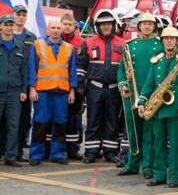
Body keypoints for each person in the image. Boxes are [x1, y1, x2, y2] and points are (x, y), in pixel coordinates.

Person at [138, 26, 178, 188]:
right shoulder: (158, 60)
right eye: (166, 38)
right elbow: (149, 83)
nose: (169, 41)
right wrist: (142, 101)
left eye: (172, 38)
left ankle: (174, 176)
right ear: (162, 41)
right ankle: (159, 174)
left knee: (176, 144)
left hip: (175, 108)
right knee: (158, 142)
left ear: (177, 41)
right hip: (158, 109)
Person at [117, 13, 163, 178]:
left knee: (150, 133)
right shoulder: (130, 45)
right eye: (144, 24)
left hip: (151, 94)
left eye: (150, 24)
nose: (147, 27)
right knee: (133, 131)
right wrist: (122, 84)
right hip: (131, 95)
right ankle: (132, 164)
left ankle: (148, 166)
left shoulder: (160, 45)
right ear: (139, 26)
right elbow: (121, 69)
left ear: (154, 27)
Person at [29, 20, 77, 166]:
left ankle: (57, 154)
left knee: (60, 124)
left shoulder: (69, 47)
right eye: (53, 28)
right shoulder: (37, 44)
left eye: (58, 28)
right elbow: (32, 68)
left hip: (62, 92)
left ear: (61, 29)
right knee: (40, 124)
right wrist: (32, 88)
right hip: (43, 92)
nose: (56, 30)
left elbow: (72, 71)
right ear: (47, 30)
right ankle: (36, 155)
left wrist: (72, 91)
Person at [81, 9, 125, 164]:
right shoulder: (88, 43)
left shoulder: (123, 44)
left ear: (114, 25)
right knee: (93, 121)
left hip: (114, 89)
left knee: (112, 122)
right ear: (97, 26)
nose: (106, 26)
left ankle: (110, 152)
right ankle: (91, 152)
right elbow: (81, 67)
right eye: (102, 24)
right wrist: (81, 88)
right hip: (94, 88)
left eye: (109, 24)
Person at [0, 15, 28, 167]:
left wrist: (24, 90)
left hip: (15, 93)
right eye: (6, 24)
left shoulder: (20, 46)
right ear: (1, 27)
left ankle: (10, 157)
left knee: (14, 125)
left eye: (11, 24)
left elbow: (24, 70)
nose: (9, 27)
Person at [12, 5, 36, 163]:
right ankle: (5, 150)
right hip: (9, 84)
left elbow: (33, 62)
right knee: (6, 119)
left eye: (23, 15)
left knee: (23, 120)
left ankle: (19, 150)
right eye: (18, 14)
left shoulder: (31, 37)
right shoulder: (4, 34)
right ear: (13, 15)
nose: (21, 17)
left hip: (25, 84)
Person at [61, 13, 86, 160]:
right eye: (65, 24)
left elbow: (82, 66)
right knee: (58, 118)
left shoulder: (81, 42)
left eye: (70, 24)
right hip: (58, 86)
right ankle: (56, 147)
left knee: (74, 120)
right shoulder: (55, 39)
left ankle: (73, 149)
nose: (67, 27)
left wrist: (79, 86)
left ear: (74, 26)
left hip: (76, 87)